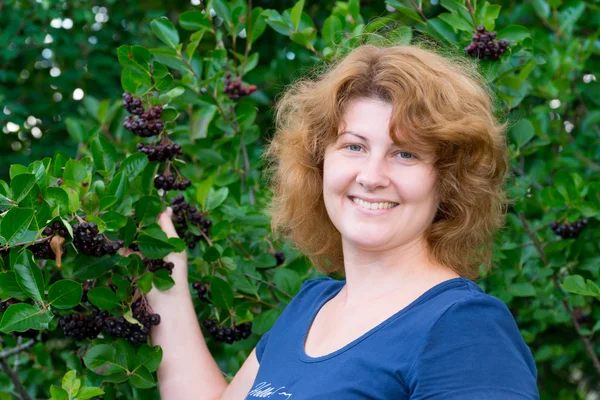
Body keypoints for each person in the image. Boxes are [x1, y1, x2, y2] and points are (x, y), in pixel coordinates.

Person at [146, 44, 540, 399]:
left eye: (405, 154)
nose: (371, 176)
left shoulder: (463, 329)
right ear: (319, 164)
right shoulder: (310, 307)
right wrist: (163, 278)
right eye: (354, 146)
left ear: (448, 180)